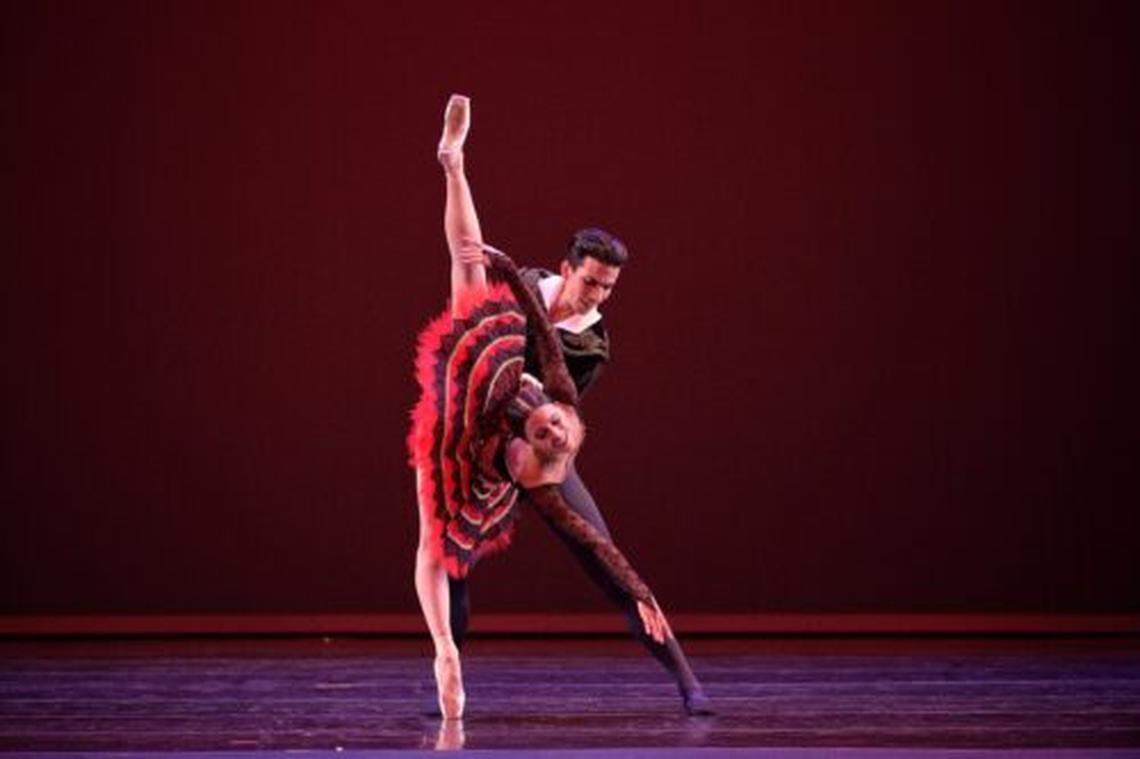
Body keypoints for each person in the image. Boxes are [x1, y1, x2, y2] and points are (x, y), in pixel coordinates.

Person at [411, 94, 711, 719]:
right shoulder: (522, 280)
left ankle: (685, 678)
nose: (598, 295)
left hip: (537, 438)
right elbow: (515, 334)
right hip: (480, 424)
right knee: (450, 551)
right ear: (568, 268)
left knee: (598, 546)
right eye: (591, 281)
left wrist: (543, 449)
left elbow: (557, 405)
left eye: (608, 288)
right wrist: (513, 286)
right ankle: (447, 668)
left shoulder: (594, 343)